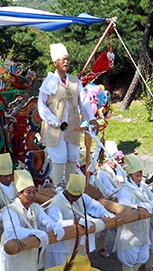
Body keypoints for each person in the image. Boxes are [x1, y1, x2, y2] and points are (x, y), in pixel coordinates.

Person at [0, 170, 62, 271]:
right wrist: (34, 232)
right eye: (28, 192)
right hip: (13, 253)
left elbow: (45, 220)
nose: (32, 196)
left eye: (34, 192)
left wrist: (55, 225)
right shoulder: (10, 210)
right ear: (19, 193)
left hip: (29, 253)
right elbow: (13, 231)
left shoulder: (35, 208)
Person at [37, 43, 97, 188]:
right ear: (55, 63)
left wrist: (92, 119)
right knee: (59, 158)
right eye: (63, 59)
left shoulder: (75, 81)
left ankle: (71, 187)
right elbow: (41, 105)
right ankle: (58, 186)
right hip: (55, 127)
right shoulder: (49, 82)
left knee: (72, 157)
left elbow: (83, 101)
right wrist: (53, 121)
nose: (66, 62)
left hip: (72, 126)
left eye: (68, 59)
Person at [45, 173, 115, 269]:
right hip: (61, 248)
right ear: (67, 191)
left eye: (78, 196)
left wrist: (103, 211)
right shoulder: (56, 204)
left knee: (78, 270)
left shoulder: (81, 197)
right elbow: (55, 223)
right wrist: (74, 222)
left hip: (78, 243)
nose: (76, 198)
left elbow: (92, 204)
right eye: (73, 196)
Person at [114, 154, 153, 271]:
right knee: (129, 254)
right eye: (135, 174)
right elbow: (125, 205)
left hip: (143, 226)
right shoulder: (125, 189)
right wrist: (139, 207)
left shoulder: (143, 187)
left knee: (143, 255)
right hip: (130, 227)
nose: (138, 176)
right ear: (129, 175)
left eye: (140, 173)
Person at [91, 140, 125, 258]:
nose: (115, 163)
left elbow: (123, 183)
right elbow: (107, 190)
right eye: (112, 160)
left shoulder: (119, 171)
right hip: (107, 201)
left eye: (117, 160)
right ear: (107, 160)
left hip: (119, 200)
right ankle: (101, 248)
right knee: (106, 227)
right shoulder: (103, 173)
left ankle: (121, 247)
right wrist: (119, 194)